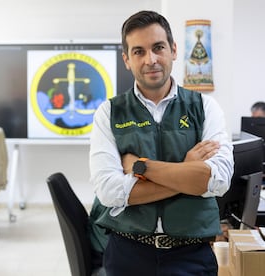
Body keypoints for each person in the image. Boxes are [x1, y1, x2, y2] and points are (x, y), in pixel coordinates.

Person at [89, 10, 234, 275]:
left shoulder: (204, 107)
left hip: (192, 255)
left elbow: (219, 180)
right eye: (139, 51)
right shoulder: (109, 113)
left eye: (158, 48)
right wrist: (188, 172)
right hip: (127, 254)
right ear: (126, 60)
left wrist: (141, 167)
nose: (151, 60)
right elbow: (109, 192)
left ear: (174, 50)